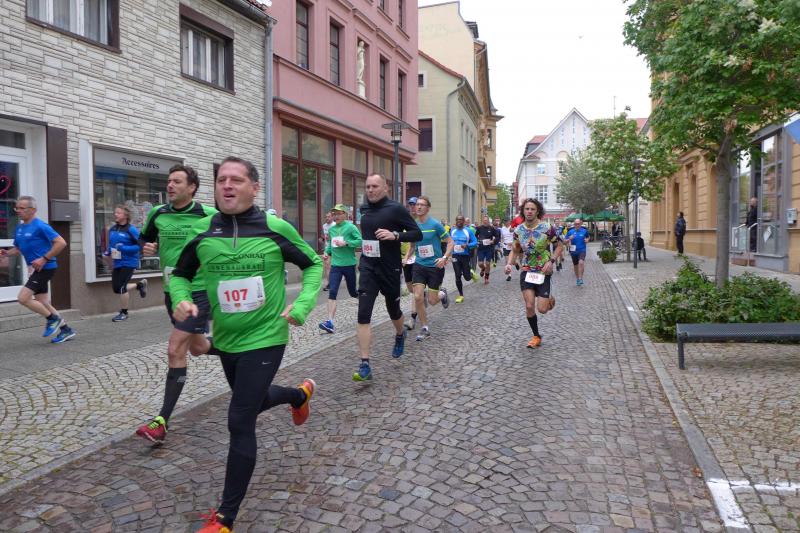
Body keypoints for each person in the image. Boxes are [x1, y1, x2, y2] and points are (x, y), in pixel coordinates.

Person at [170, 157, 321, 533]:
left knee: (240, 418)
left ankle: (225, 517)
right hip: (228, 339)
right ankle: (298, 395)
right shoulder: (203, 230)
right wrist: (181, 299)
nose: (227, 185)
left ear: (255, 188)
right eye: (222, 179)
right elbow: (180, 275)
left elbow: (313, 264)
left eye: (236, 180)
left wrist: (302, 304)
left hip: (267, 335)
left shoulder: (274, 227)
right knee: (251, 400)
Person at [135, 164, 217, 445]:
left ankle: (161, 421)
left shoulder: (209, 215)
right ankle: (239, 352)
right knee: (198, 347)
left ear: (192, 187)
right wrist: (147, 247)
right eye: (169, 181)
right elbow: (144, 238)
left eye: (177, 182)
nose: (170, 186)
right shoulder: (158, 213)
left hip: (199, 291)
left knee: (175, 348)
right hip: (172, 290)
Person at [352, 174, 422, 381]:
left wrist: (396, 235)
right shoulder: (364, 208)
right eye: (368, 187)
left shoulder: (396, 209)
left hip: (389, 268)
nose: (370, 190)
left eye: (375, 186)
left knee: (394, 310)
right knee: (363, 314)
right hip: (368, 267)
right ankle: (365, 364)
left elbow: (416, 234)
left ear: (385, 188)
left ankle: (400, 334)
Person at [0, 196, 76, 343]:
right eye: (17, 208)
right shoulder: (20, 228)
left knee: (23, 298)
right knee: (43, 302)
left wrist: (44, 258)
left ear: (33, 210)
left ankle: (52, 319)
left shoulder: (41, 226)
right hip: (34, 269)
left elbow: (61, 243)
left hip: (45, 267)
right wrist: (6, 253)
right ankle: (66, 330)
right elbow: (18, 248)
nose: (18, 211)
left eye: (22, 208)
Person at [504, 198, 562, 349]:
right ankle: (536, 336)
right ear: (523, 211)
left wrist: (552, 261)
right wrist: (509, 263)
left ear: (537, 212)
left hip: (543, 270)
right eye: (527, 209)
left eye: (532, 209)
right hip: (527, 270)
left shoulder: (547, 228)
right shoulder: (518, 230)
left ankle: (549, 300)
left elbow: (559, 246)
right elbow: (515, 249)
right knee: (529, 306)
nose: (529, 211)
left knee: (542, 309)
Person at [403, 196, 452, 341]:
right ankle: (425, 328)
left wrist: (444, 258)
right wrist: (406, 257)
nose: (418, 207)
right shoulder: (414, 226)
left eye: (422, 205)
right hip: (419, 265)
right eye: (417, 204)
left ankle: (442, 294)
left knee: (432, 301)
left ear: (428, 208)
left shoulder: (435, 225)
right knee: (418, 296)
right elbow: (412, 246)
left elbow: (450, 242)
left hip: (435, 266)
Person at [319, 204, 362, 333]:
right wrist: (326, 253)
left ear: (345, 214)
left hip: (349, 264)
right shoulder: (332, 229)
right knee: (332, 292)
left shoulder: (351, 227)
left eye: (338, 214)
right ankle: (330, 322)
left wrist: (347, 243)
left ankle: (364, 304)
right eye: (334, 214)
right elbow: (330, 245)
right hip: (336, 265)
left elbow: (360, 241)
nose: (336, 216)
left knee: (353, 292)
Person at [104, 204, 148, 322]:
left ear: (126, 215)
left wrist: (123, 248)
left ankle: (124, 313)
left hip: (129, 262)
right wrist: (107, 252)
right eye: (115, 212)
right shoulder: (113, 229)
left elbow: (140, 246)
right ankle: (139, 285)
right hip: (117, 262)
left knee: (122, 287)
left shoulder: (131, 229)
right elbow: (112, 244)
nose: (115, 214)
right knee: (116, 288)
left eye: (118, 213)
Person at [449, 215, 478, 303]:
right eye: (458, 219)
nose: (459, 221)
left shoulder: (468, 231)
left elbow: (475, 242)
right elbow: (449, 242)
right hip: (455, 256)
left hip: (465, 256)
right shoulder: (452, 230)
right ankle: (461, 295)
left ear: (464, 221)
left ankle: (470, 273)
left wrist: (467, 245)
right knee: (457, 275)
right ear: (456, 221)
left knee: (467, 278)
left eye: (461, 220)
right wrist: (448, 255)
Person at [402, 197, 419, 331]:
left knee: (415, 289)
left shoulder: (422, 221)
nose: (412, 207)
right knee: (410, 289)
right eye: (411, 204)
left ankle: (412, 318)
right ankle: (422, 295)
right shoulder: (405, 221)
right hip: (407, 259)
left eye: (415, 204)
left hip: (419, 259)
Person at [564, 218, 589, 285]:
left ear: (580, 224)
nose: (577, 225)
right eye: (575, 224)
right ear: (574, 224)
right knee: (575, 265)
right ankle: (578, 279)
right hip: (573, 251)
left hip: (582, 250)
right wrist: (569, 239)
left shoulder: (584, 231)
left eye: (578, 224)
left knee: (581, 262)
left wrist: (587, 240)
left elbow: (587, 237)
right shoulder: (570, 232)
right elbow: (564, 241)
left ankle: (580, 278)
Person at [475, 215, 498, 284]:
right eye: (484, 220)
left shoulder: (491, 228)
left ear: (488, 221)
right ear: (483, 221)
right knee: (480, 263)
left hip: (489, 248)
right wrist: (477, 241)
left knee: (488, 263)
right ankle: (483, 268)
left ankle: (486, 277)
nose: (485, 221)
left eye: (486, 220)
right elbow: (475, 236)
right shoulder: (479, 228)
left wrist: (493, 241)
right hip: (481, 248)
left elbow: (497, 236)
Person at [321, 211, 333, 291]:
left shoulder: (335, 225)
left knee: (334, 266)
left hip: (335, 248)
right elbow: (325, 237)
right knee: (327, 266)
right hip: (327, 248)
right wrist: (322, 239)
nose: (327, 218)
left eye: (328, 217)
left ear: (332, 217)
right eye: (326, 217)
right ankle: (329, 284)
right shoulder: (324, 226)